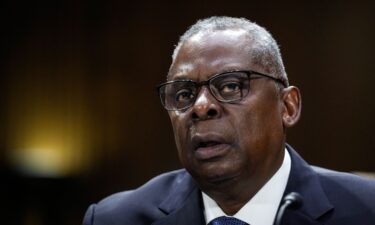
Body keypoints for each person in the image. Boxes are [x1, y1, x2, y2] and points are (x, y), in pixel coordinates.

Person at [82, 16, 375, 225]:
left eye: (231, 86)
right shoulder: (114, 218)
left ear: (287, 106)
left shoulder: (366, 210)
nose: (201, 107)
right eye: (184, 94)